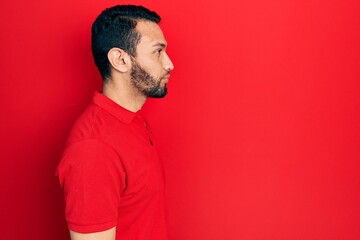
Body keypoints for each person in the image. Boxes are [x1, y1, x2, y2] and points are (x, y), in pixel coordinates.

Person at [56, 5, 174, 240]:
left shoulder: (130, 119)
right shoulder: (93, 149)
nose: (169, 64)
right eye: (157, 52)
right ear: (120, 59)